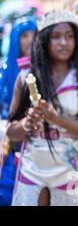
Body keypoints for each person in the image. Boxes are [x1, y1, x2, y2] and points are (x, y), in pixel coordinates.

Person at [6, 9, 78, 205]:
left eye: (70, 36)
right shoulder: (26, 76)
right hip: (33, 164)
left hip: (71, 163)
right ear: (44, 40)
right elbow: (12, 132)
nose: (64, 42)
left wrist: (58, 120)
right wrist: (28, 123)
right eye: (56, 37)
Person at [0, 16, 37, 206]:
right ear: (15, 38)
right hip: (8, 137)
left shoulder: (46, 70)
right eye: (24, 35)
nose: (30, 40)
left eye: (34, 35)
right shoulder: (5, 72)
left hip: (38, 139)